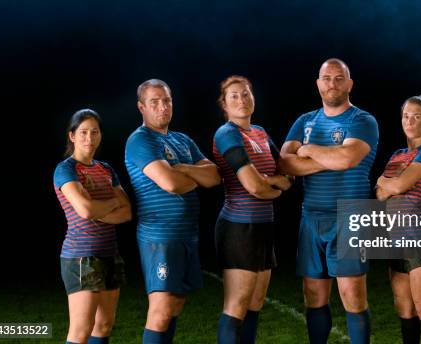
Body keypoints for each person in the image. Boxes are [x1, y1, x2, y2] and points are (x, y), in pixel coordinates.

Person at [279, 58, 379, 344]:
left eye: (339, 78)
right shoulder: (305, 121)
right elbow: (285, 164)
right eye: (326, 78)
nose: (332, 84)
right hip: (311, 216)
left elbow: (348, 158)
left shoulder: (362, 120)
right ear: (318, 83)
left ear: (350, 84)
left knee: (352, 295)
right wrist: (331, 157)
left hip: (350, 217)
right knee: (313, 296)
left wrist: (308, 150)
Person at [125, 79, 221, 344]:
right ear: (141, 107)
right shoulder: (139, 140)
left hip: (186, 236)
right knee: (161, 309)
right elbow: (171, 184)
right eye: (154, 102)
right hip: (160, 237)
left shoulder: (182, 140)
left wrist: (181, 168)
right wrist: (190, 177)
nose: (162, 107)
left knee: (175, 304)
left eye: (166, 100)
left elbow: (214, 177)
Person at [212, 75, 292, 344]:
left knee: (256, 303)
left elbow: (288, 175)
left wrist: (268, 182)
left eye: (246, 94)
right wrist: (272, 185)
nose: (241, 100)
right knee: (237, 305)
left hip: (263, 227)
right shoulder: (226, 134)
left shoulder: (260, 133)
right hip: (239, 227)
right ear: (224, 103)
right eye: (234, 96)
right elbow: (252, 187)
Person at [54, 109, 132, 344]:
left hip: (110, 254)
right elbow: (85, 210)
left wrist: (98, 209)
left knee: (104, 326)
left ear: (100, 136)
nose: (89, 137)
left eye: (94, 132)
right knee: (81, 330)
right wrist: (111, 204)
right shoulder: (65, 169)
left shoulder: (106, 169)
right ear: (72, 136)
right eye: (84, 132)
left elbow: (127, 212)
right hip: (81, 257)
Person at [375, 95, 421, 343]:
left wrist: (391, 182)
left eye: (417, 116)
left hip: (419, 236)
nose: (410, 121)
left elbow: (399, 184)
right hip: (396, 237)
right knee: (404, 309)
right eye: (406, 115)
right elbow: (380, 193)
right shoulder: (397, 154)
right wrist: (390, 185)